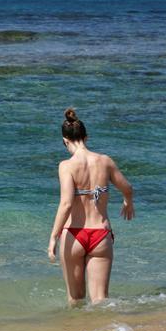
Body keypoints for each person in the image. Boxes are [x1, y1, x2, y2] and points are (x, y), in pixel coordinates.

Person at [48, 108, 134, 305]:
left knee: (75, 301)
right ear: (86, 138)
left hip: (74, 236)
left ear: (65, 140)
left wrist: (53, 237)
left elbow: (67, 203)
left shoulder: (66, 166)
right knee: (101, 301)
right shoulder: (105, 161)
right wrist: (128, 202)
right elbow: (128, 188)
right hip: (100, 235)